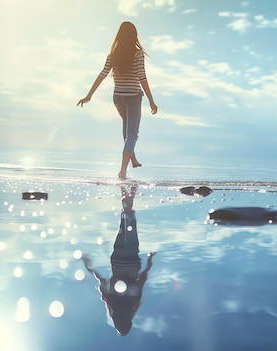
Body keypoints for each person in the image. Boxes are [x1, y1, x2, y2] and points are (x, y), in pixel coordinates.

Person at [77, 21, 158, 179]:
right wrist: (151, 100)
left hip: (118, 97)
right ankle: (122, 171)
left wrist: (89, 95)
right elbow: (142, 77)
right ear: (134, 35)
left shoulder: (113, 54)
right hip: (133, 97)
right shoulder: (137, 53)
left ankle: (132, 158)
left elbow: (102, 74)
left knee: (127, 127)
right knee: (132, 134)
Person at [82, 186, 155, 336]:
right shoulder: (111, 302)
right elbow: (100, 279)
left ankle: (129, 193)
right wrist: (88, 266)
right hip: (116, 260)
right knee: (124, 223)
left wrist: (150, 259)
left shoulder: (134, 301)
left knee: (129, 223)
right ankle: (126, 193)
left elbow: (143, 277)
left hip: (131, 259)